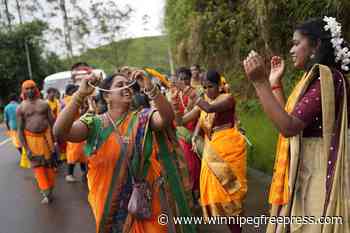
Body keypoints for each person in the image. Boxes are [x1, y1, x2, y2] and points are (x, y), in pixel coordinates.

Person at [53, 71, 196, 233]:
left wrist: (150, 87)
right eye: (120, 85)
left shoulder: (143, 118)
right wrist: (80, 95)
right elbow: (60, 132)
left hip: (143, 204)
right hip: (108, 206)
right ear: (107, 96)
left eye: (128, 85)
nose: (127, 88)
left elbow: (167, 118)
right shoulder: (94, 123)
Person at [243, 17, 350, 233]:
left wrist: (259, 83)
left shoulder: (327, 79)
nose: (291, 49)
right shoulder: (313, 80)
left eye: (296, 43)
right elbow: (288, 118)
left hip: (320, 170)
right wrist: (273, 83)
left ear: (316, 44)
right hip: (307, 168)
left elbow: (289, 127)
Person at [181, 70, 247, 233]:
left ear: (219, 86)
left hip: (229, 148)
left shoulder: (227, 99)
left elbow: (210, 108)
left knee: (231, 194)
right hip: (213, 151)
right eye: (204, 87)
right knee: (220, 195)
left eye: (210, 86)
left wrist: (191, 93)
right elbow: (181, 121)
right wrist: (174, 106)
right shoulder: (202, 103)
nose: (206, 90)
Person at [16, 80, 57, 204]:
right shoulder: (21, 107)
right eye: (26, 88)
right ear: (23, 91)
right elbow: (20, 130)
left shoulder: (44, 104)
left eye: (32, 88)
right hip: (31, 140)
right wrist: (26, 149)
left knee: (49, 165)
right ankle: (46, 192)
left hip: (46, 139)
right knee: (37, 167)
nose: (29, 91)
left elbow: (53, 123)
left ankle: (49, 188)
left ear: (36, 89)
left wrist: (55, 141)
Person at [171, 67, 201, 208]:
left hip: (199, 132)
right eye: (180, 79)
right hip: (183, 135)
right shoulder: (172, 95)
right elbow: (176, 120)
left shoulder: (197, 92)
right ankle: (193, 197)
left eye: (186, 78)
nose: (183, 81)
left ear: (190, 79)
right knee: (191, 167)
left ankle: (202, 193)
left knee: (202, 167)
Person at [62, 84, 87, 183]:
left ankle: (84, 172)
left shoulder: (70, 100)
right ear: (71, 91)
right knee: (73, 153)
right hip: (72, 128)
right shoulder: (70, 100)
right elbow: (76, 113)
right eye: (76, 90)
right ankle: (69, 174)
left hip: (77, 127)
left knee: (81, 153)